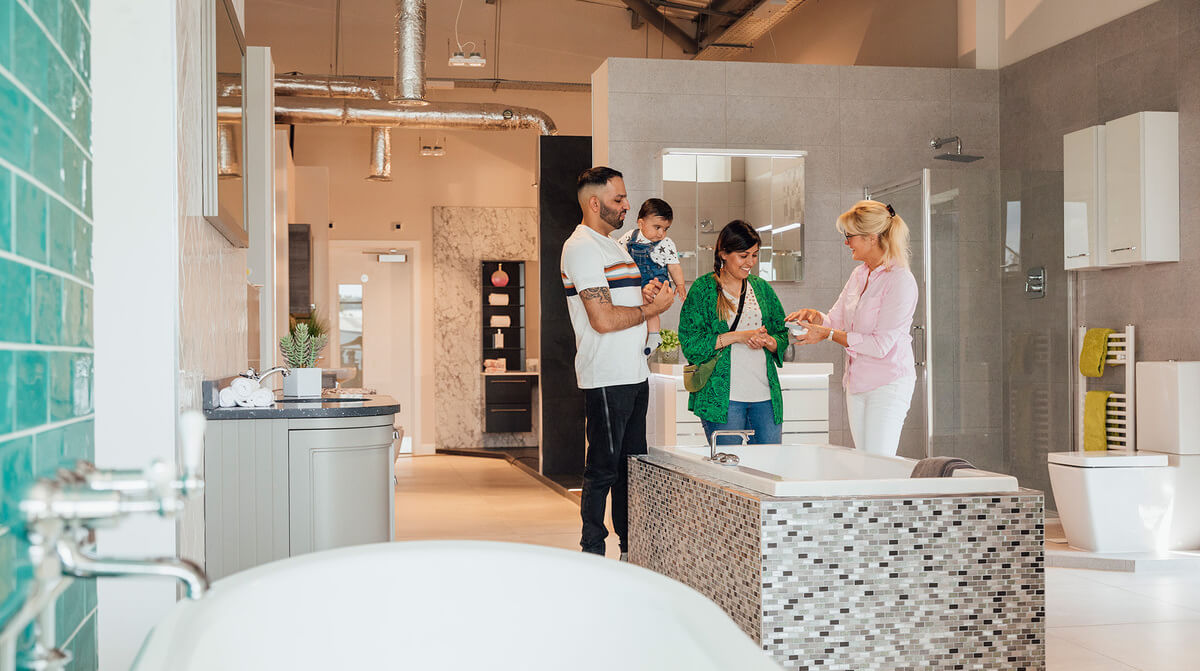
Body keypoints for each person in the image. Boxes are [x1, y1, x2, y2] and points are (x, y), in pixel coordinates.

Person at [560, 166, 676, 558]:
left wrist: (646, 292)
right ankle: (593, 553)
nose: (627, 205)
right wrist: (650, 309)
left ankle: (630, 551)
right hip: (606, 376)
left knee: (630, 470)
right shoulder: (581, 247)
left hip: (632, 372)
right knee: (603, 471)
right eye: (618, 199)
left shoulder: (615, 246)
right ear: (595, 203)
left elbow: (619, 300)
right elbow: (603, 319)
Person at [786, 200, 918, 457]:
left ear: (871, 238)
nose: (847, 243)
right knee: (866, 461)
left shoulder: (900, 280)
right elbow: (835, 320)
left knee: (880, 462)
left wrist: (829, 335)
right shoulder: (859, 275)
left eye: (850, 237)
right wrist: (816, 318)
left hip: (888, 383)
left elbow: (880, 346)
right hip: (857, 384)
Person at [678, 220, 789, 446]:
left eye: (755, 255)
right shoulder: (703, 289)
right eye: (743, 255)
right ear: (723, 254)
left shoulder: (762, 288)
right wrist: (739, 336)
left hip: (765, 397)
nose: (750, 263)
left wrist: (770, 341)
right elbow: (690, 343)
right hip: (722, 399)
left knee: (770, 467)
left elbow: (782, 334)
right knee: (730, 468)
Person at [617, 198, 687, 356]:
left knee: (650, 306)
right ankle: (647, 336)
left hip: (658, 282)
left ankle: (654, 335)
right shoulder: (631, 237)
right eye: (657, 227)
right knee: (641, 306)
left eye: (665, 228)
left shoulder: (666, 243)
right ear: (641, 223)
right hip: (637, 282)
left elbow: (674, 266)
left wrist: (680, 285)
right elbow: (617, 251)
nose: (661, 233)